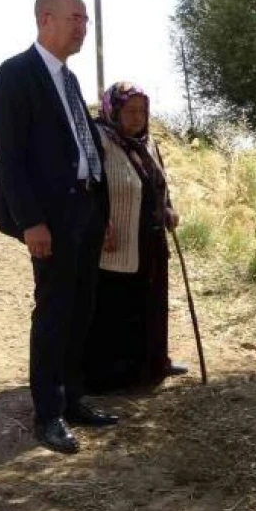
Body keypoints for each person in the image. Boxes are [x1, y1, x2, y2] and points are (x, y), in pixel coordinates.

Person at [0, 0, 119, 455]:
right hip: (50, 219)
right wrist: (31, 222)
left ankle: (74, 398)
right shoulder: (14, 76)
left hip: (84, 211)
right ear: (46, 18)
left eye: (85, 19)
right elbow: (11, 159)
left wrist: (101, 213)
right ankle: (49, 414)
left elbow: (83, 149)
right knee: (54, 312)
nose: (83, 26)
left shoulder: (69, 78)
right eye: (76, 17)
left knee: (82, 308)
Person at [81, 82, 188, 395]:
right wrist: (99, 224)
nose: (137, 117)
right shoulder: (99, 138)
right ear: (113, 109)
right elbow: (88, 187)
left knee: (152, 302)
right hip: (116, 238)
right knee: (115, 306)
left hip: (150, 237)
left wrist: (168, 208)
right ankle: (110, 377)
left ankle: (154, 364)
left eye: (142, 111)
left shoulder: (148, 142)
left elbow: (158, 182)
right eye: (130, 111)